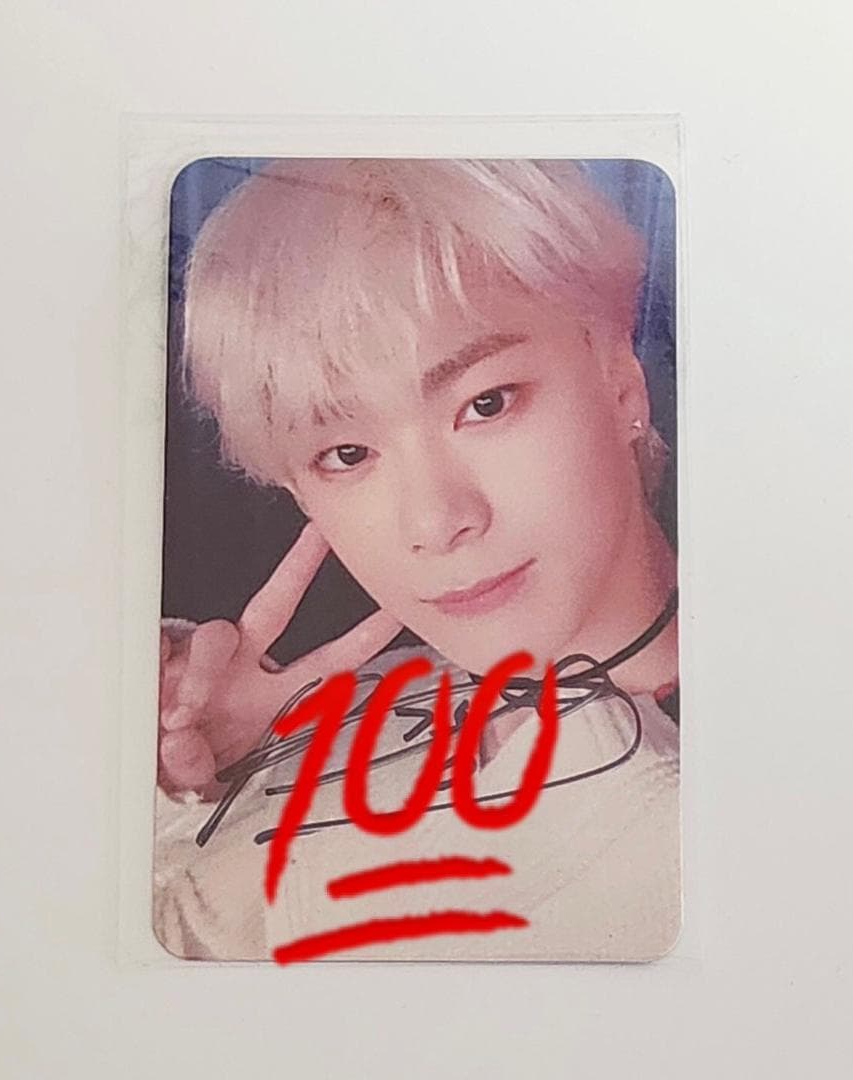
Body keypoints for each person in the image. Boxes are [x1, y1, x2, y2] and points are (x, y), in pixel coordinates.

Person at [154, 158, 680, 962]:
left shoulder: (698, 824)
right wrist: (186, 782)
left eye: (485, 404)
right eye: (346, 452)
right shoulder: (354, 707)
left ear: (621, 385)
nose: (435, 521)